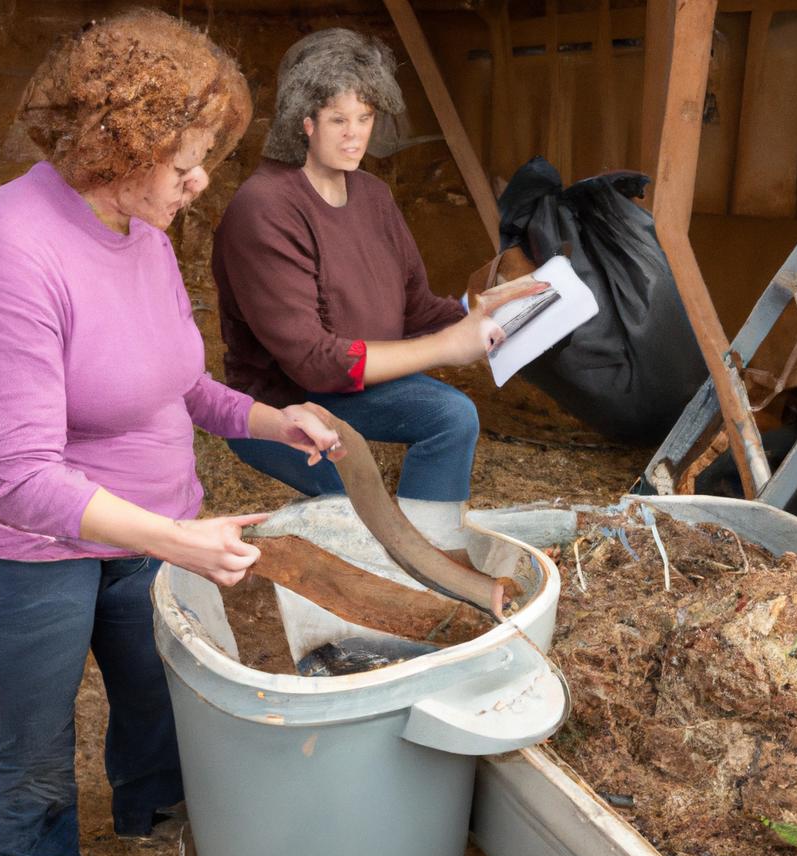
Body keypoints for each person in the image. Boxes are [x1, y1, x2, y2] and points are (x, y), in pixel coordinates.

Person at [0, 12, 341, 856]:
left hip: (150, 527)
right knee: (33, 741)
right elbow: (18, 475)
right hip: (29, 550)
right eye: (188, 162)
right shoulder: (9, 249)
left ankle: (152, 812)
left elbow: (178, 384)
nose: (202, 181)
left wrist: (267, 417)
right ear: (121, 148)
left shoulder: (141, 230)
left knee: (155, 693)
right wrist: (174, 539)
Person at [212, 28, 546, 548]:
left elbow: (415, 309)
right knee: (356, 520)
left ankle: (433, 558)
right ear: (303, 122)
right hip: (285, 403)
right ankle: (388, 558)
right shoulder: (265, 209)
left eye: (365, 118)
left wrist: (476, 311)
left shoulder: (371, 194)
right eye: (339, 120)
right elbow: (314, 362)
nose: (355, 136)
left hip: (358, 390)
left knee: (450, 417)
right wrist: (445, 348)